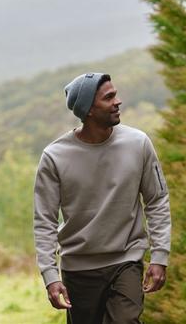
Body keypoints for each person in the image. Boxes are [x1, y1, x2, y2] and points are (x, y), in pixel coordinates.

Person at [33, 72, 171, 324]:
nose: (118, 101)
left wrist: (160, 256)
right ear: (88, 110)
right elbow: (45, 221)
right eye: (109, 98)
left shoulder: (139, 144)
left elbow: (157, 200)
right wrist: (50, 275)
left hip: (126, 261)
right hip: (78, 269)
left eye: (115, 94)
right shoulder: (54, 157)